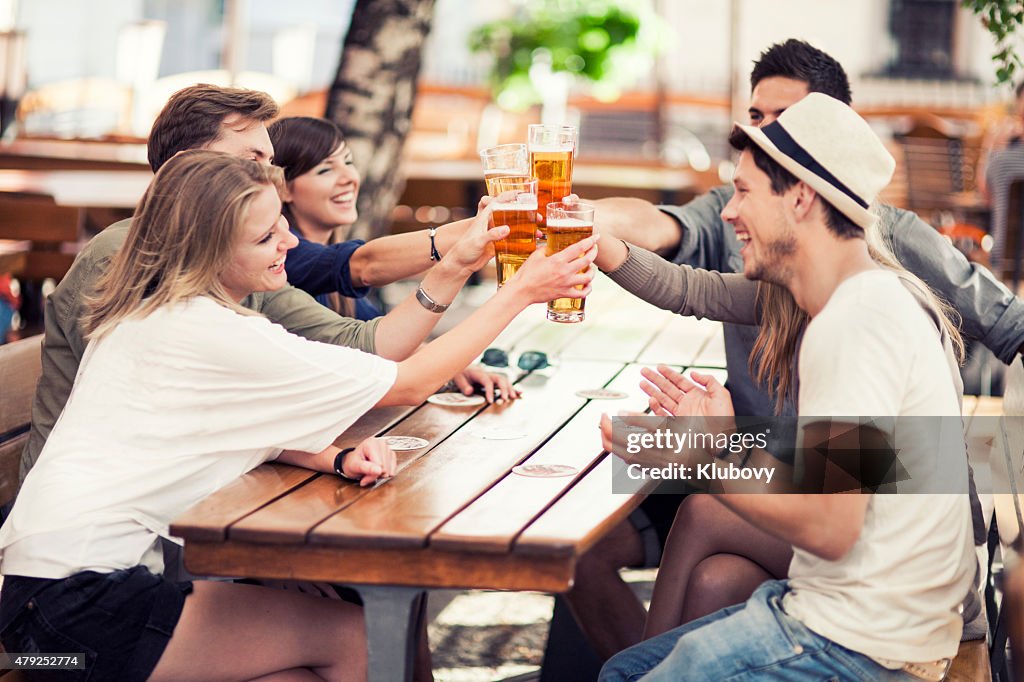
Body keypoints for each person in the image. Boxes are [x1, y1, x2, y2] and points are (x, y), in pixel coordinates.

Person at [0, 151, 596, 681]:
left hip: (37, 612)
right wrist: (517, 293)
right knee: (361, 637)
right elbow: (407, 380)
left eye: (281, 226)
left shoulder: (161, 313)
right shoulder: (209, 332)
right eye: (265, 238)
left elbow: (214, 420)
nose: (287, 243)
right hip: (68, 626)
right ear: (207, 249)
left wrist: (453, 268)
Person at [563, 39, 1001, 656]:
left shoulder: (861, 307)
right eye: (759, 118)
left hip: (888, 585)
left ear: (804, 189)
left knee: (691, 513)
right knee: (712, 574)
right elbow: (687, 288)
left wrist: (699, 458)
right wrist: (591, 234)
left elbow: (834, 515)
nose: (729, 211)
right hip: (809, 482)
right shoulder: (811, 286)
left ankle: (637, 669)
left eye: (784, 126)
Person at [19, 84, 503, 483]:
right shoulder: (132, 259)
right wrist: (480, 267)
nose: (269, 179)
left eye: (269, 163)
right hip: (112, 513)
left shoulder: (228, 262)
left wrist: (332, 455)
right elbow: (359, 286)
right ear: (188, 166)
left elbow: (363, 345)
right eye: (251, 160)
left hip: (166, 491)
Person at [267, 115, 516, 402]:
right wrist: (481, 228)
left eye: (348, 162)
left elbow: (384, 337)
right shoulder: (284, 258)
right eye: (325, 170)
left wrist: (448, 367)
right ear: (282, 187)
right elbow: (365, 265)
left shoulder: (332, 274)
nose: (349, 177)